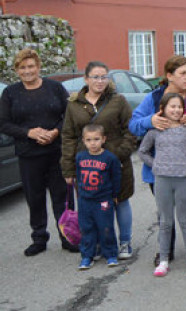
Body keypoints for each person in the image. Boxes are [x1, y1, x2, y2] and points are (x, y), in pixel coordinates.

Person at [130, 55, 186, 267]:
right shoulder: (154, 98)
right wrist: (149, 121)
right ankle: (165, 252)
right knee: (165, 214)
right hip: (160, 171)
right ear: (169, 76)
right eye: (183, 74)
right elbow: (133, 124)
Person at [0, 48, 77, 256]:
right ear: (17, 71)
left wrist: (55, 131)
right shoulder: (10, 93)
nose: (27, 71)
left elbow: (68, 115)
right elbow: (4, 124)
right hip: (28, 154)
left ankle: (67, 236)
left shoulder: (55, 88)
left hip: (56, 152)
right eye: (22, 67)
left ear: (39, 67)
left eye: (31, 66)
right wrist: (29, 133)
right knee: (35, 198)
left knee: (63, 197)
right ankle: (39, 238)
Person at [62, 61, 137, 260]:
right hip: (87, 166)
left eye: (104, 76)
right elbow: (68, 136)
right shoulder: (74, 104)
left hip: (116, 163)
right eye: (95, 77)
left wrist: (120, 153)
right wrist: (68, 169)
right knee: (90, 207)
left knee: (120, 201)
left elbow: (131, 130)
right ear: (86, 79)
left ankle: (124, 242)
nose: (100, 81)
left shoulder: (118, 101)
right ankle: (95, 245)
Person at [138, 93, 186, 277]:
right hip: (162, 180)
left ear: (184, 109)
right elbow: (142, 152)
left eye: (178, 107)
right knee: (165, 221)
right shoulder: (155, 130)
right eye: (171, 106)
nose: (175, 110)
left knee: (185, 220)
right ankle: (164, 260)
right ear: (163, 109)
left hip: (183, 179)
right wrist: (156, 165)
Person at [74, 124, 122, 270]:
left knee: (105, 227)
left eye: (96, 139)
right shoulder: (80, 157)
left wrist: (114, 195)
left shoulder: (110, 158)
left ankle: (111, 254)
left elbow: (116, 177)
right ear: (83, 141)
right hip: (85, 200)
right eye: (89, 140)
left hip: (103, 200)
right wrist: (80, 195)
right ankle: (87, 256)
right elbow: (78, 176)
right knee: (86, 228)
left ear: (103, 139)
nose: (93, 143)